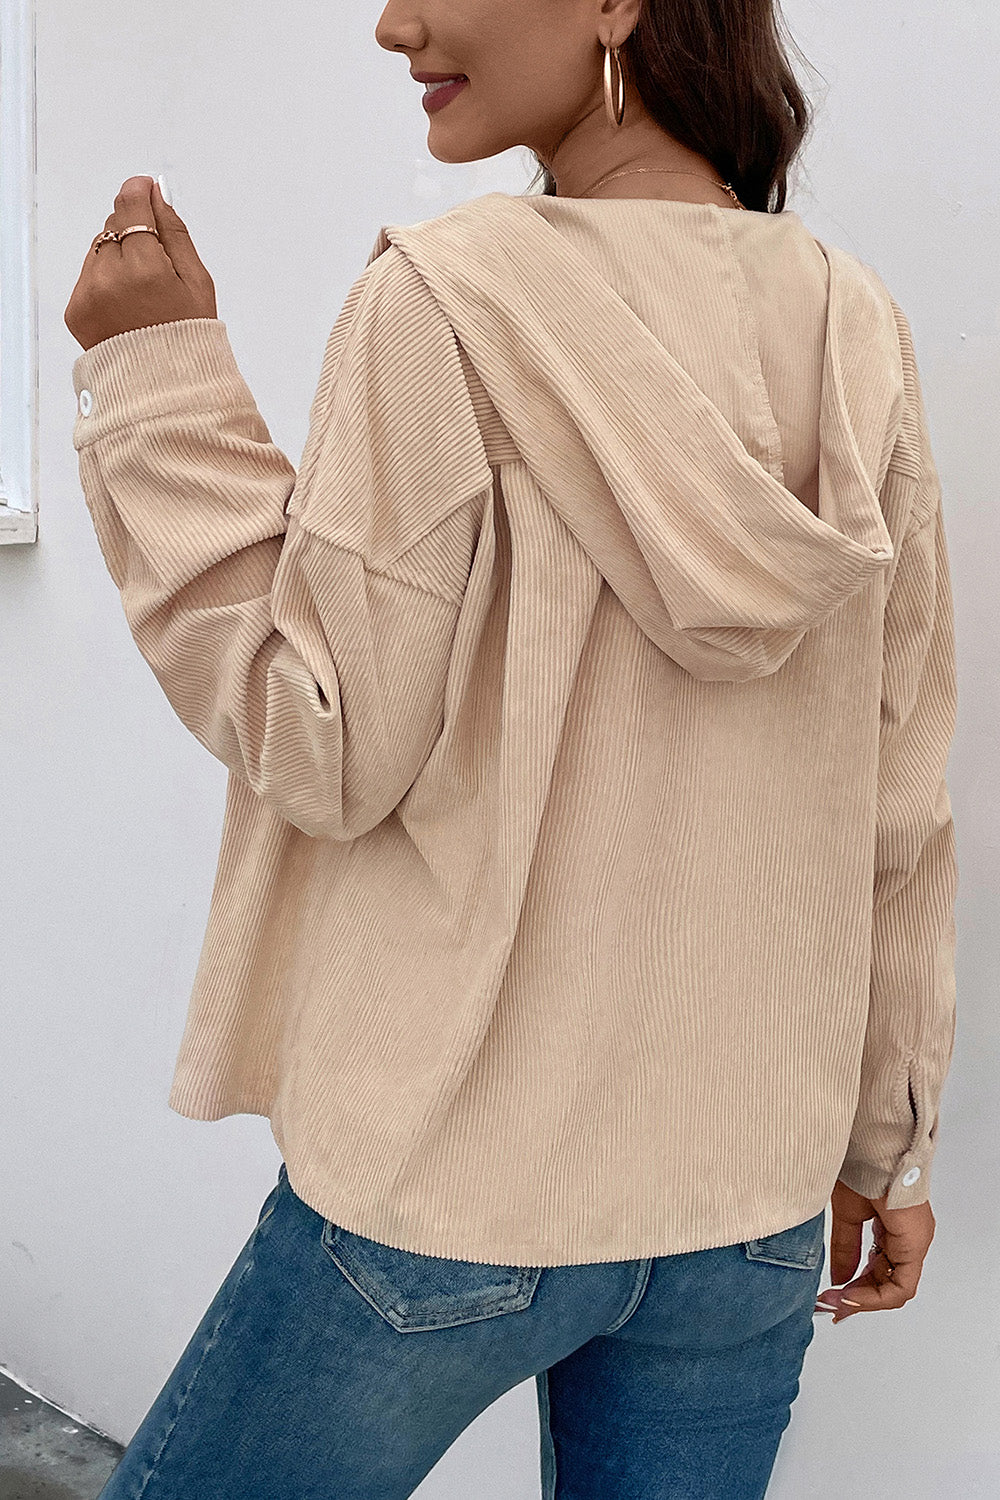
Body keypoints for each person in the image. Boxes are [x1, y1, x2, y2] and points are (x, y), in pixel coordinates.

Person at [66, 1, 957, 1496]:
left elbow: (324, 741)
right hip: (748, 1205)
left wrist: (157, 388)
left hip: (454, 1189)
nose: (393, 23)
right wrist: (889, 1144)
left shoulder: (448, 299)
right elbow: (899, 797)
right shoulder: (854, 323)